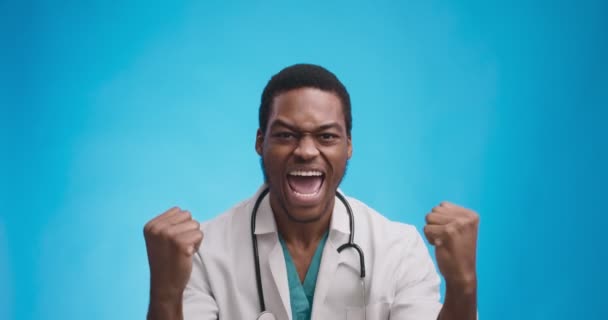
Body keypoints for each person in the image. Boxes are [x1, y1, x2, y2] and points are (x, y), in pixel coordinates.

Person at [143, 64, 479, 320]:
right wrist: (165, 292)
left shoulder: (398, 249)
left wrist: (462, 286)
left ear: (349, 146)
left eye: (327, 137)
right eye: (286, 135)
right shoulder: (203, 251)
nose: (306, 151)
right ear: (260, 143)